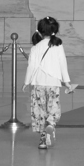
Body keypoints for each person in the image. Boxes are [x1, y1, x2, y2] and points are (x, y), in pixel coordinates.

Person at [24, 16, 76, 150]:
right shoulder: (58, 46)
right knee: (53, 108)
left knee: (39, 111)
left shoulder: (36, 47)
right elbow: (63, 64)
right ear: (55, 30)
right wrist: (67, 82)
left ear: (40, 31)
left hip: (38, 83)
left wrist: (26, 81)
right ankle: (51, 124)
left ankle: (42, 140)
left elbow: (31, 66)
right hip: (53, 83)